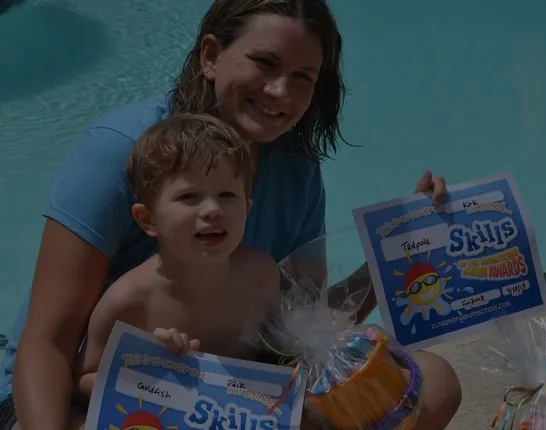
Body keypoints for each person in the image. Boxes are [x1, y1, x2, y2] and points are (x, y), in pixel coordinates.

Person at [0, 1, 462, 429]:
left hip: (224, 400)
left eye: (303, 77)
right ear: (211, 56)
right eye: (265, 63)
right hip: (96, 399)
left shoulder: (294, 167)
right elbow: (47, 343)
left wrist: (399, 245)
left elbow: (307, 329)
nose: (280, 92)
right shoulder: (121, 150)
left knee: (432, 383)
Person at [70, 113, 284, 428]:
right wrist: (149, 373)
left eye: (227, 195)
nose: (213, 209)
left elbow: (278, 356)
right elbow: (83, 380)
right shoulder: (130, 301)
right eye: (189, 197)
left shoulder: (262, 276)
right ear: (148, 220)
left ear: (247, 208)